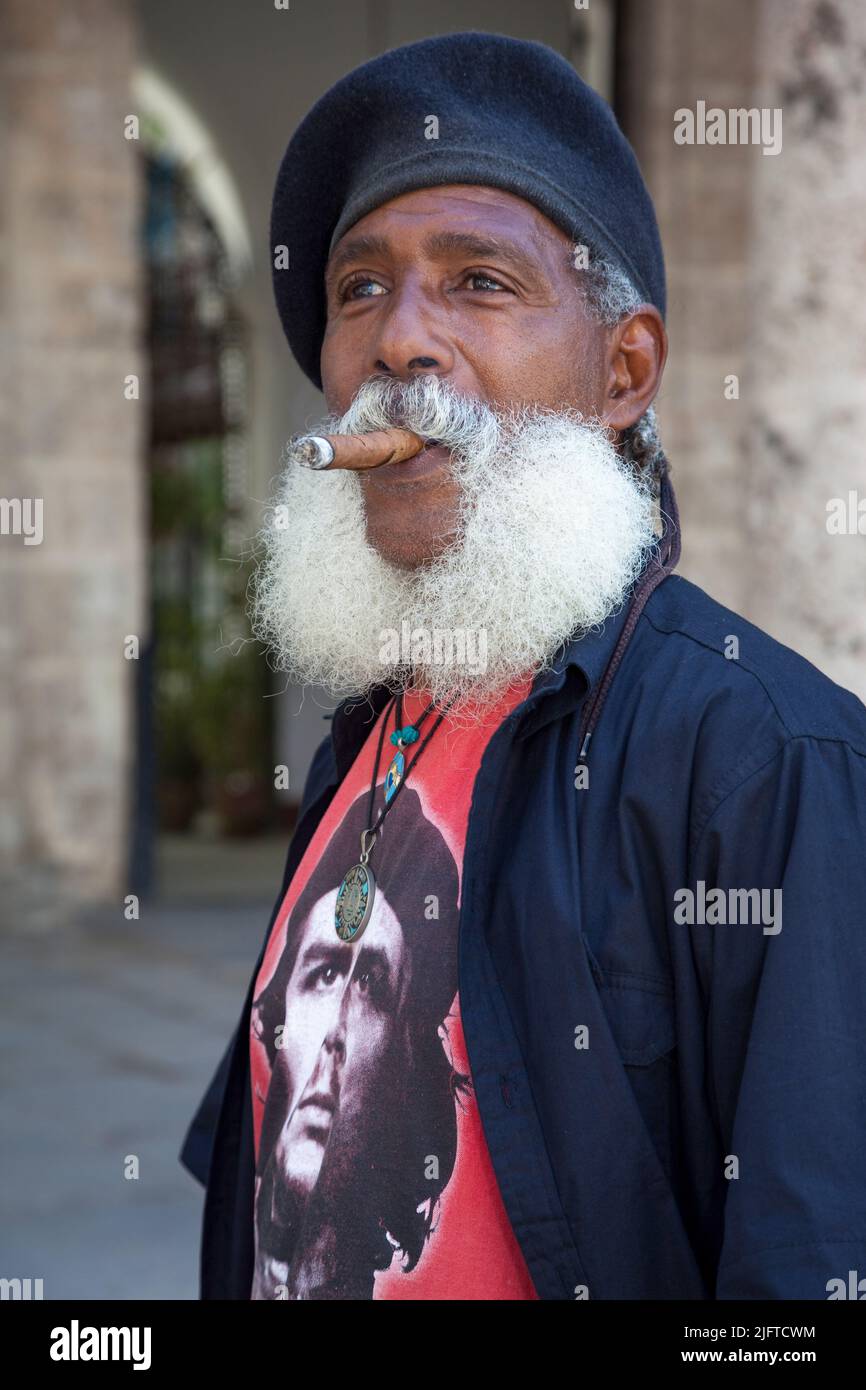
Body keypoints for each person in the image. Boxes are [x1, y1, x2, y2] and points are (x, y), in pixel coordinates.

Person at [180, 31, 866, 1300]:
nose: (400, 345)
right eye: (359, 290)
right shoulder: (370, 742)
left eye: (479, 282)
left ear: (624, 371)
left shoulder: (766, 757)